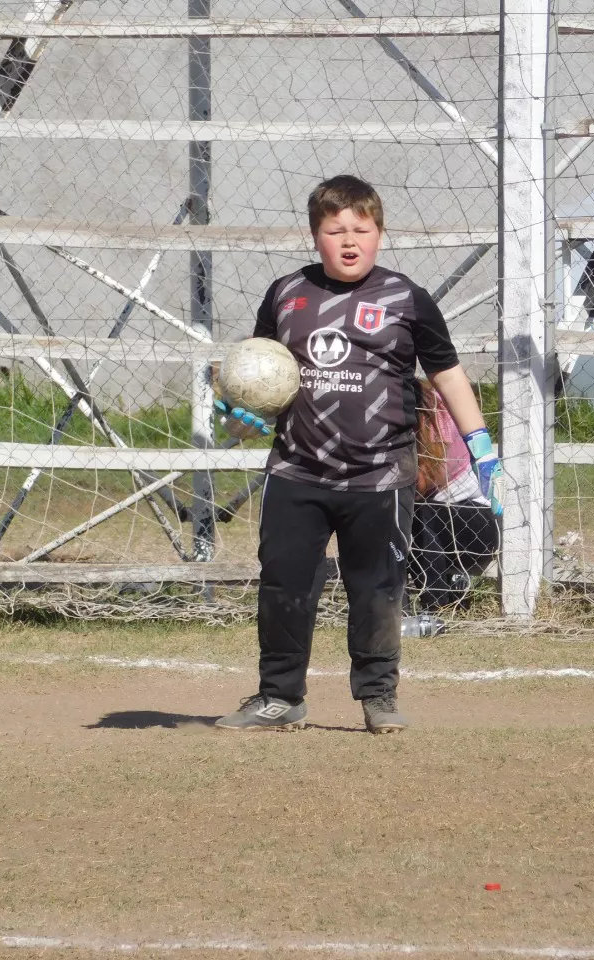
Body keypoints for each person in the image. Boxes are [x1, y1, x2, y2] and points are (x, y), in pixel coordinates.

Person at [214, 175, 502, 735]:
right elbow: (260, 376)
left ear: (379, 233)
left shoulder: (407, 298)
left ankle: (378, 698)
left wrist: (482, 448)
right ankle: (279, 697)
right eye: (335, 230)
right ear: (315, 235)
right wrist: (243, 416)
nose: (349, 241)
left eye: (361, 229)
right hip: (297, 470)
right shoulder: (285, 294)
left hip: (380, 475)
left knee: (376, 588)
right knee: (284, 584)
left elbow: (446, 373)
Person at [402, 378, 499, 635]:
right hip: (434, 536)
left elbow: (420, 486)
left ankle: (436, 607)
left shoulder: (438, 424)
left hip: (476, 527)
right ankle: (397, 606)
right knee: (395, 514)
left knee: (420, 510)